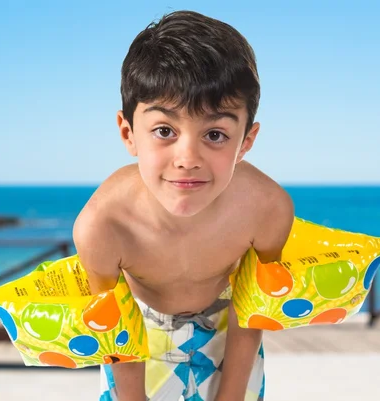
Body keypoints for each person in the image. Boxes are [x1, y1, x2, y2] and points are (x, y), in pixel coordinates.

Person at [73, 9, 294, 401]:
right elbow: (116, 330)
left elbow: (252, 307)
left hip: (231, 328)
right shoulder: (103, 224)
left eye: (215, 133)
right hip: (137, 334)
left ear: (246, 140)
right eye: (164, 131)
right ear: (128, 132)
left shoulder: (266, 208)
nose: (187, 157)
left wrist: (231, 394)